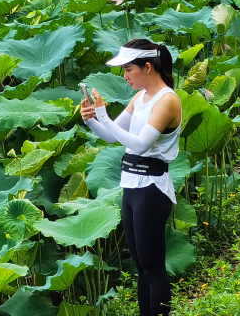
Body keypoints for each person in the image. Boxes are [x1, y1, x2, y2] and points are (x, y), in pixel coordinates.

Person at [80, 38, 183, 316]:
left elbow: (140, 144)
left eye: (128, 70)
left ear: (147, 67)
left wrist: (105, 115)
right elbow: (111, 135)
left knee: (152, 269)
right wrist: (92, 119)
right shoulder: (140, 97)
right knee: (140, 267)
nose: (125, 77)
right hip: (131, 186)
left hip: (152, 188)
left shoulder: (167, 101)